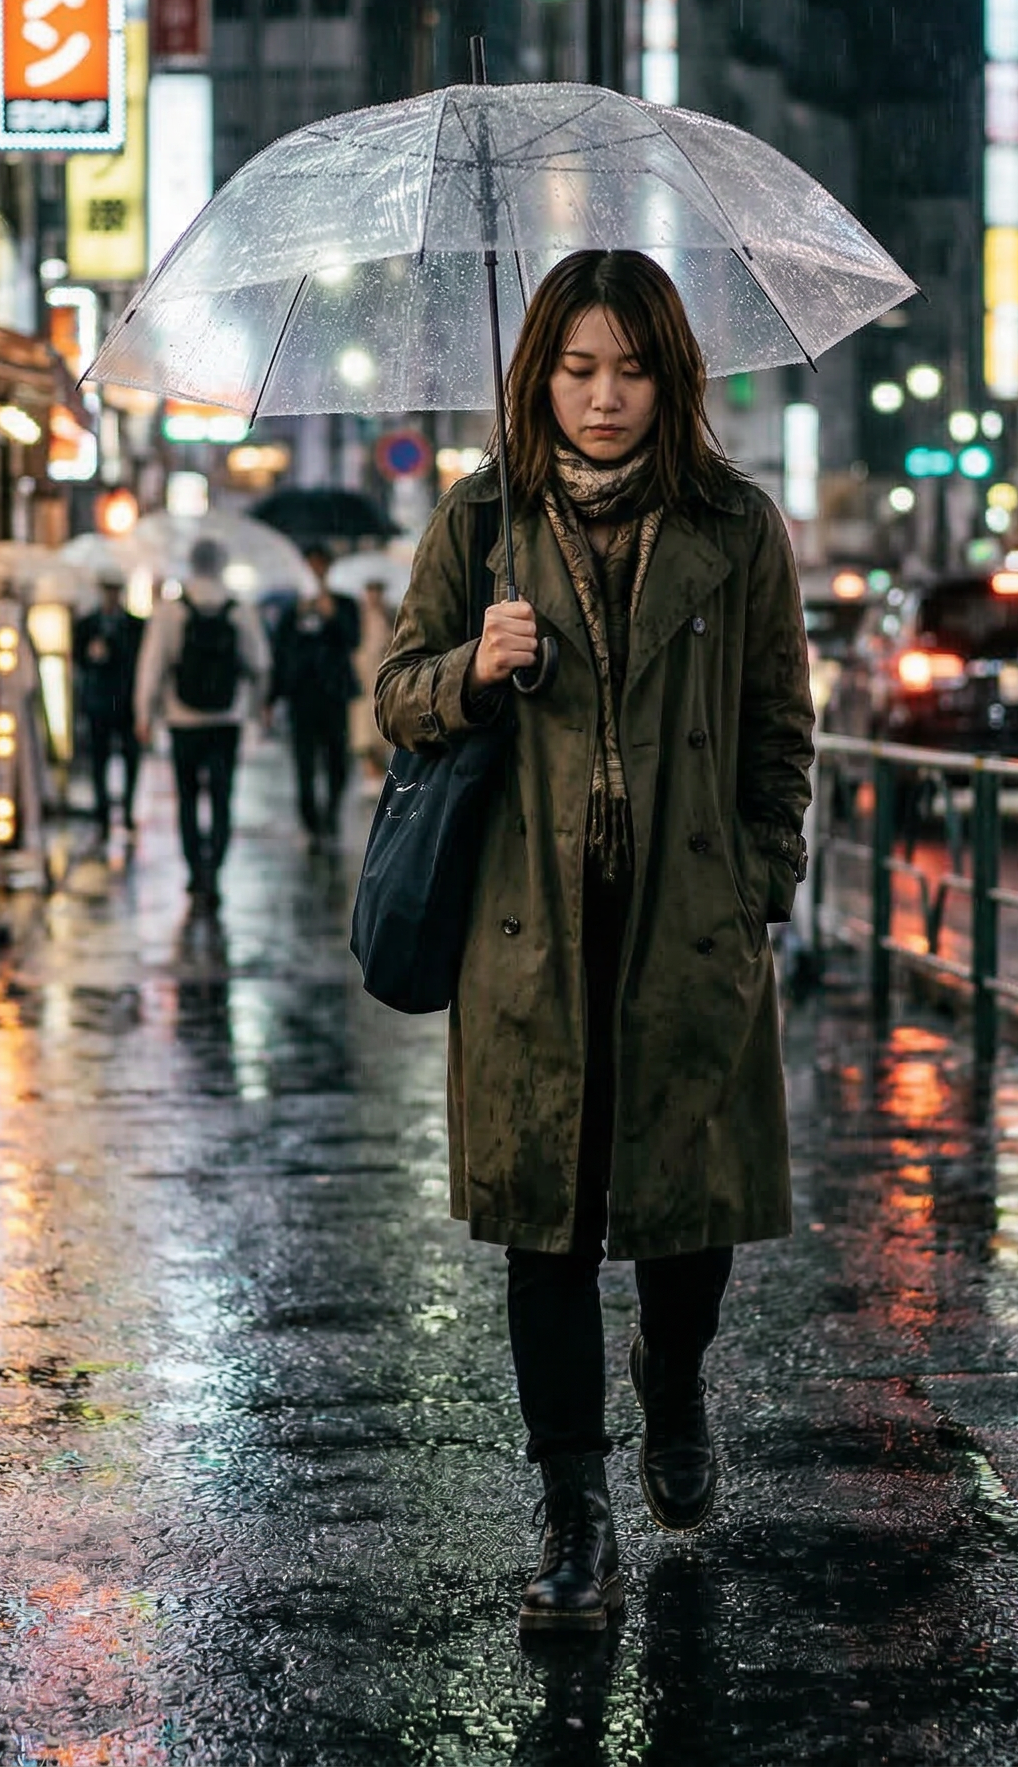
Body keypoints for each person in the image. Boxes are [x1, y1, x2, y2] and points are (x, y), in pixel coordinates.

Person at [376, 249, 814, 1633]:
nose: (604, 397)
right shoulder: (479, 524)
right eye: (578, 370)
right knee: (544, 1234)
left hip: (687, 925)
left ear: (670, 376)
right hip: (529, 933)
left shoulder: (737, 527)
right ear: (539, 377)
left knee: (689, 1218)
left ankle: (673, 1379)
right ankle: (574, 1516)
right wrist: (472, 668)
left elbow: (778, 730)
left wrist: (759, 883)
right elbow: (395, 697)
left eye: (630, 369)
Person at [134, 537, 270, 907]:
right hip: (227, 718)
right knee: (223, 797)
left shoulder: (170, 610)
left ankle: (196, 870)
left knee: (188, 797)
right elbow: (259, 664)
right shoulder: (238, 609)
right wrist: (257, 709)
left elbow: (152, 666)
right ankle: (215, 868)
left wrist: (144, 714)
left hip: (183, 719)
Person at [269, 545, 361, 846]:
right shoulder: (292, 607)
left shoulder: (343, 604)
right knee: (304, 763)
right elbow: (280, 652)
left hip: (334, 694)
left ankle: (331, 813)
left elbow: (353, 639)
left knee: (337, 761)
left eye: (321, 565)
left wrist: (332, 616)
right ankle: (310, 822)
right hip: (302, 696)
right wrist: (271, 697)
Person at [73, 577, 142, 837]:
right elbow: (78, 658)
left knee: (130, 758)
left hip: (126, 702)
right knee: (99, 759)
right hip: (99, 700)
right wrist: (91, 655)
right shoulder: (88, 625)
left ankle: (127, 810)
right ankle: (101, 811)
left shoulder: (135, 626)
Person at [349, 576, 396, 787]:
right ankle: (370, 774)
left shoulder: (390, 616)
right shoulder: (357, 618)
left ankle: (379, 774)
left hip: (382, 682)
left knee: (380, 733)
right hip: (362, 682)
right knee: (364, 734)